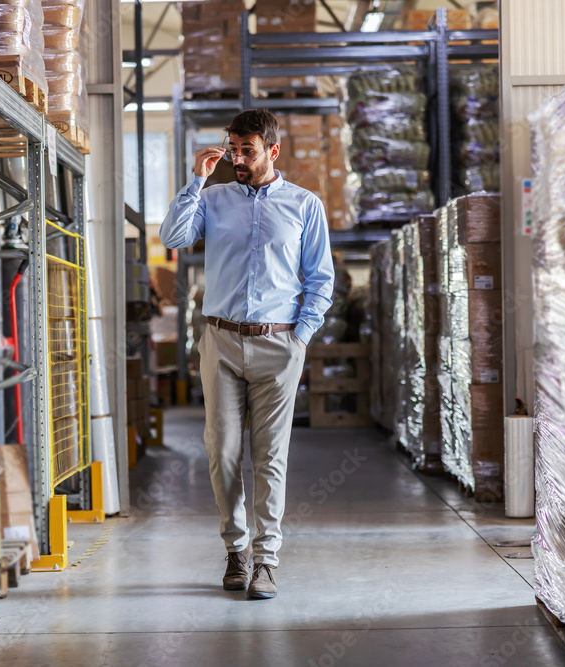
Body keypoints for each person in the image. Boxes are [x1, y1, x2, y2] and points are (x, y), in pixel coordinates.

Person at [159, 109, 335, 600]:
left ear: (272, 152)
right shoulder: (213, 199)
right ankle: (236, 551)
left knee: (271, 457)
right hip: (220, 340)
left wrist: (300, 336)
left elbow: (321, 280)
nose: (237, 158)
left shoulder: (304, 205)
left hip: (280, 344)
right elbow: (173, 238)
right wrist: (195, 180)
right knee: (223, 451)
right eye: (233, 149)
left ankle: (266, 560)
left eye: (247, 151)